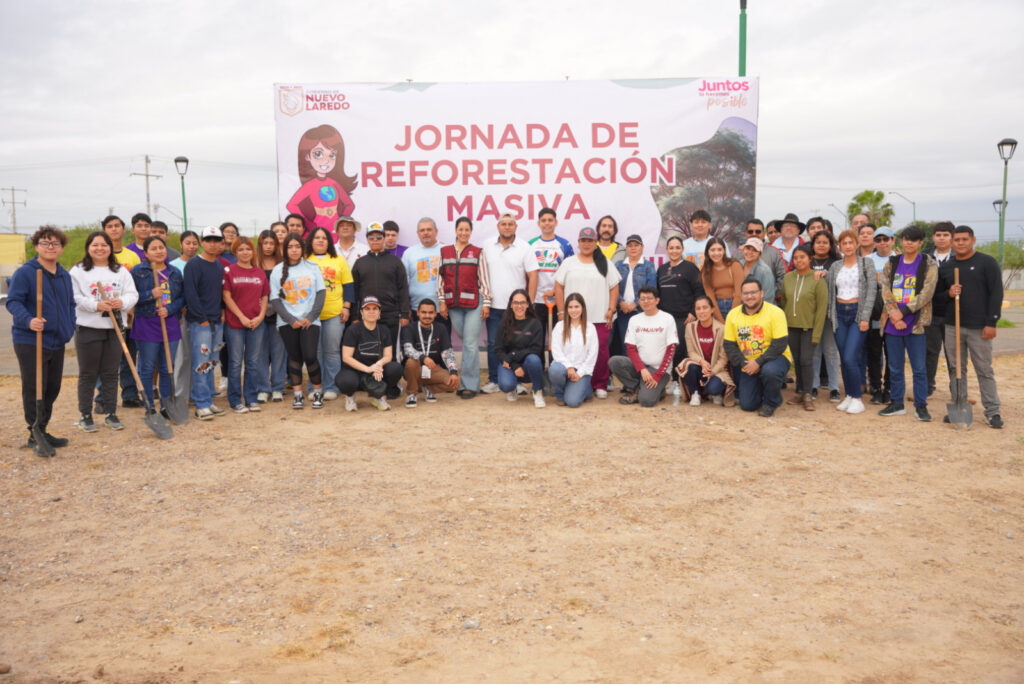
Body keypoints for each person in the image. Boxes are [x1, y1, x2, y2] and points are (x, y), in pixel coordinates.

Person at [6, 227, 76, 450]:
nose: (50, 247)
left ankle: (43, 428)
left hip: (57, 340)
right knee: (34, 386)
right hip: (30, 340)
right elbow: (13, 302)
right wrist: (28, 320)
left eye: (55, 243)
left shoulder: (64, 274)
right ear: (36, 246)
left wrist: (69, 326)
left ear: (62, 248)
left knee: (52, 387)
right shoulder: (26, 272)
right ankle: (34, 432)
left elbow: (70, 305)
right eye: (45, 243)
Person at [935, 225, 1004, 428]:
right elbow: (937, 298)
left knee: (983, 368)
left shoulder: (986, 263)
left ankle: (992, 411)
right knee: (956, 368)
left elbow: (996, 294)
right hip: (952, 326)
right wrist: (949, 293)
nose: (960, 243)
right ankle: (959, 404)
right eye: (957, 240)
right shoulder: (947, 267)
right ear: (952, 242)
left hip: (979, 327)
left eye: (965, 239)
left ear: (973, 240)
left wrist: (992, 322)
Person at [70, 231, 138, 432]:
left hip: (114, 329)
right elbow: (75, 297)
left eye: (104, 245)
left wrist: (122, 302)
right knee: (88, 374)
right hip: (88, 329)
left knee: (110, 373)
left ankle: (111, 413)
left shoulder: (120, 271)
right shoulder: (78, 270)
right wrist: (96, 305)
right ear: (88, 248)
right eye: (95, 245)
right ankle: (85, 415)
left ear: (110, 247)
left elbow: (132, 294)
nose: (100, 248)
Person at [878, 225, 938, 421]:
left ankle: (921, 405)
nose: (909, 242)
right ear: (901, 241)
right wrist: (894, 313)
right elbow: (885, 288)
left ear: (921, 243)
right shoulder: (892, 263)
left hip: (916, 323)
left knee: (919, 368)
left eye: (913, 239)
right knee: (895, 367)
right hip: (892, 323)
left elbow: (927, 293)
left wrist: (903, 313)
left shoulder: (928, 264)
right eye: (905, 239)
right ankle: (897, 403)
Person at [552, 227, 619, 398]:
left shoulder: (605, 262)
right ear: (579, 242)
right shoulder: (569, 262)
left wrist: (611, 309)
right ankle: (578, 382)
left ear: (595, 243)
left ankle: (600, 384)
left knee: (601, 352)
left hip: (599, 317)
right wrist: (561, 312)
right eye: (583, 240)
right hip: (573, 317)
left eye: (590, 241)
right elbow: (558, 286)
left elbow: (614, 287)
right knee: (574, 349)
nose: (587, 244)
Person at [480, 214, 539, 393]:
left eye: (510, 224)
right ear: (498, 226)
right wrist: (485, 301)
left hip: (518, 309)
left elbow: (533, 275)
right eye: (503, 224)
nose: (507, 227)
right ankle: (494, 380)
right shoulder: (487, 246)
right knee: (493, 344)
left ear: (516, 226)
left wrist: (529, 302)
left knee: (518, 344)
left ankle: (518, 381)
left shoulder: (524, 247)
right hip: (494, 305)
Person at [350, 222, 410, 398]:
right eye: (371, 237)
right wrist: (355, 316)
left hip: (391, 315)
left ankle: (392, 386)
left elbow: (403, 289)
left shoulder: (395, 262)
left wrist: (405, 313)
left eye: (379, 237)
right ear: (367, 239)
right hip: (367, 317)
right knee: (369, 353)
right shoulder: (360, 263)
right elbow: (354, 291)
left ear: (384, 239)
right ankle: (371, 385)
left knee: (390, 355)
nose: (375, 240)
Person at [437, 216, 492, 398]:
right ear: (455, 230)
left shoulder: (478, 252)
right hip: (453, 305)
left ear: (471, 232)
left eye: (467, 230)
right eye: (460, 229)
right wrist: (442, 301)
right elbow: (440, 279)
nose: (463, 233)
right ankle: (468, 382)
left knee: (469, 343)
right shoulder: (444, 252)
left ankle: (469, 385)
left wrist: (486, 303)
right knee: (469, 340)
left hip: (474, 305)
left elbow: (484, 280)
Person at [270, 233, 326, 409]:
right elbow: (275, 300)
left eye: (297, 246)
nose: (294, 250)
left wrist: (310, 317)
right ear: (285, 249)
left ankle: (317, 393)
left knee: (310, 356)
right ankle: (298, 395)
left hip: (310, 321)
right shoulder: (277, 270)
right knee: (294, 358)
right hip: (288, 323)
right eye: (290, 247)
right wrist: (290, 319)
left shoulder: (312, 266)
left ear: (302, 248)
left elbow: (321, 293)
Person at [130, 235, 184, 418]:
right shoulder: (138, 272)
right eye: (153, 248)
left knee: (167, 366)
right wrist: (150, 294)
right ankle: (149, 406)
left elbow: (182, 298)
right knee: (147, 366)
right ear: (145, 253)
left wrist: (169, 309)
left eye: (161, 247)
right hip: (146, 323)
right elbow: (132, 298)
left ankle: (166, 405)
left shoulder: (174, 272)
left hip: (169, 323)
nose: (159, 251)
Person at [725, 278, 793, 416]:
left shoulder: (775, 312)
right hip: (748, 363)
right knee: (748, 405)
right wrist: (746, 364)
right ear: (741, 295)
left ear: (761, 293)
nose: (749, 296)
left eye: (753, 292)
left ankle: (771, 402)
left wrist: (758, 362)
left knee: (770, 371)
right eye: (746, 293)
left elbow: (779, 344)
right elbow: (729, 345)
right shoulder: (733, 314)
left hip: (775, 358)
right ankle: (768, 391)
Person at [826, 229, 876, 415]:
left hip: (857, 314)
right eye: (843, 243)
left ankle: (857, 398)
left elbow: (871, 292)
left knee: (850, 357)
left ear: (856, 245)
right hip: (839, 314)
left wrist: (865, 318)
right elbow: (829, 290)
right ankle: (849, 395)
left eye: (850, 243)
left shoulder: (866, 263)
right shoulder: (835, 266)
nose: (847, 246)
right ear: (839, 246)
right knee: (843, 358)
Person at [183, 226, 227, 419]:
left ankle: (208, 399)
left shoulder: (218, 265)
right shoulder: (194, 265)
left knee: (211, 362)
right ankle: (200, 403)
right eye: (208, 240)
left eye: (216, 240)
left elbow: (218, 293)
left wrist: (221, 313)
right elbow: (190, 294)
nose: (212, 243)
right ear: (202, 242)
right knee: (201, 362)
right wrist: (201, 319)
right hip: (200, 322)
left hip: (216, 321)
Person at [305, 226, 354, 401]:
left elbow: (348, 285)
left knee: (332, 351)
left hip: (334, 313)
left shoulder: (338, 260)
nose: (320, 240)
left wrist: (346, 307)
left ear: (329, 241)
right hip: (311, 315)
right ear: (311, 241)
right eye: (317, 237)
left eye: (324, 238)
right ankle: (315, 387)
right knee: (314, 352)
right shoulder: (304, 260)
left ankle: (332, 386)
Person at [222, 236, 270, 413]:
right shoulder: (229, 270)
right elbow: (226, 296)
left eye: (248, 249)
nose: (245, 252)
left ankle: (251, 398)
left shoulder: (259, 272)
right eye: (241, 249)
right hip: (235, 323)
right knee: (235, 362)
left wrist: (261, 316)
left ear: (253, 251)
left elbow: (265, 297)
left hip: (256, 323)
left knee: (252, 361)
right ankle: (235, 400)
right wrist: (241, 317)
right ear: (235, 252)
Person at [608, 286, 677, 407]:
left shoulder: (667, 319)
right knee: (614, 362)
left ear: (657, 300)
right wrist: (642, 369)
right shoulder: (634, 320)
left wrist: (657, 375)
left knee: (646, 401)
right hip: (640, 368)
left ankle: (653, 390)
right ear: (638, 302)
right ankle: (639, 388)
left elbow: (671, 350)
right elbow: (630, 349)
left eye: (649, 298)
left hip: (659, 369)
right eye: (642, 299)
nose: (646, 301)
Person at [286, 124, 357, 240]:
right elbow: (291, 205)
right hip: (317, 231)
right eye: (318, 154)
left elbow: (350, 205)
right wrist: (308, 224)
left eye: (332, 155)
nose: (326, 160)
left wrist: (341, 221)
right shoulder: (310, 185)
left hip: (335, 232)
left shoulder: (334, 183)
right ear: (307, 157)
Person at [780, 245, 828, 410]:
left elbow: (822, 309)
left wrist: (817, 334)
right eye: (795, 258)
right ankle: (800, 391)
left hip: (809, 328)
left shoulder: (817, 279)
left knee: (807, 360)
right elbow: (784, 301)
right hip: (791, 327)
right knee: (798, 361)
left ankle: (808, 394)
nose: (799, 260)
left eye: (802, 257)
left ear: (810, 259)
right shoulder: (788, 278)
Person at [101, 215, 142, 408]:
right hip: (104, 316)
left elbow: (135, 285)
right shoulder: (99, 255)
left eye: (117, 226)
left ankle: (130, 395)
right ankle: (102, 398)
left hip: (128, 315)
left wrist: (131, 307)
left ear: (124, 229)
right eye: (109, 226)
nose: (114, 229)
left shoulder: (131, 256)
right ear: (104, 230)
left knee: (128, 356)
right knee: (107, 360)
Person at [338, 296, 403, 411]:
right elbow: (346, 357)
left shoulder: (384, 330)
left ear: (379, 312)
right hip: (356, 371)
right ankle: (350, 396)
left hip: (375, 372)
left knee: (395, 368)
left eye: (375, 308)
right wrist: (368, 369)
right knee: (345, 381)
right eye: (367, 309)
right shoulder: (353, 330)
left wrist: (378, 365)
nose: (371, 312)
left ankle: (378, 396)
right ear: (361, 312)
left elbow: (388, 356)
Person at [656, 235, 703, 394]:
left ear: (682, 249)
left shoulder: (690, 268)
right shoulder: (662, 269)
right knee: (668, 349)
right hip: (665, 318)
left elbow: (699, 291)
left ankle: (679, 382)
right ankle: (672, 381)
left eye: (677, 248)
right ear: (667, 250)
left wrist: (692, 312)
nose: (674, 251)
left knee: (680, 349)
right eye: (671, 248)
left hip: (684, 318)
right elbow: (658, 294)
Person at [528, 207, 574, 360]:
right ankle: (539, 376)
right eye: (543, 220)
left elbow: (570, 273)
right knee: (537, 341)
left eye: (550, 220)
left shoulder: (565, 245)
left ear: (556, 222)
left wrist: (555, 291)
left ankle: (556, 372)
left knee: (558, 341)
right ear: (538, 223)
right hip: (537, 302)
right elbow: (527, 274)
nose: (547, 223)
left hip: (558, 302)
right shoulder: (531, 245)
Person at [677, 294, 737, 407]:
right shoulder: (690, 327)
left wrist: (711, 372)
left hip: (716, 369)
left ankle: (714, 393)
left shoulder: (721, 329)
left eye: (705, 307)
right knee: (689, 365)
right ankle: (696, 393)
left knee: (714, 388)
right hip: (699, 367)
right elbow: (691, 352)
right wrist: (702, 362)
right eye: (698, 308)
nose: (701, 311)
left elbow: (723, 357)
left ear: (712, 309)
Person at [401, 299, 460, 407]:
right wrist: (423, 358)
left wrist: (453, 372)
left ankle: (428, 388)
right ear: (418, 312)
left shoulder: (441, 328)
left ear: (435, 313)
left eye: (431, 312)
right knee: (411, 362)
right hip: (414, 369)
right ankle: (411, 393)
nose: (427, 316)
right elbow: (408, 350)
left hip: (433, 369)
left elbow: (447, 352)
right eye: (423, 312)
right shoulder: (410, 328)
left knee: (454, 383)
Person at [494, 289, 546, 407]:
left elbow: (536, 349)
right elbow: (498, 349)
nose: (519, 306)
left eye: (522, 302)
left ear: (528, 304)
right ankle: (512, 388)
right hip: (510, 365)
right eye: (516, 303)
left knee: (534, 359)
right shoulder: (503, 323)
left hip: (528, 366)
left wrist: (512, 356)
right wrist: (515, 365)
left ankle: (537, 391)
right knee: (506, 385)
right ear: (511, 305)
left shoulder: (535, 323)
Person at [254, 229, 287, 402]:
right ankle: (262, 388)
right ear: (260, 245)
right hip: (257, 315)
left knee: (279, 352)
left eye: (271, 243)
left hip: (279, 314)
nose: (268, 246)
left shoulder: (283, 265)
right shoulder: (254, 263)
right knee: (260, 352)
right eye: (265, 243)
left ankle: (278, 387)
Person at [549, 293, 598, 407]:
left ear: (582, 308)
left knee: (572, 402)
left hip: (582, 370)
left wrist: (579, 373)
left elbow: (592, 355)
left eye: (577, 307)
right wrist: (569, 367)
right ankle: (560, 394)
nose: (573, 310)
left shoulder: (590, 328)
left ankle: (586, 390)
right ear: (566, 309)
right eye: (570, 307)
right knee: (555, 370)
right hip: (563, 368)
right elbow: (556, 351)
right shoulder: (559, 326)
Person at [613, 234, 657, 357]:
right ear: (626, 248)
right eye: (630, 245)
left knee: (642, 344)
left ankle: (641, 374)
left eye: (636, 245)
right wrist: (621, 302)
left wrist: (635, 303)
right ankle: (626, 374)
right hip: (623, 312)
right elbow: (613, 286)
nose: (633, 248)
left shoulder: (649, 265)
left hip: (641, 311)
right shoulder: (618, 265)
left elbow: (652, 288)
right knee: (625, 344)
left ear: (642, 247)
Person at [809, 230, 841, 401]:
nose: (821, 245)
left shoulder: (837, 263)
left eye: (825, 242)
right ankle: (813, 386)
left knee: (830, 350)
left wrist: (827, 275)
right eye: (818, 242)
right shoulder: (807, 261)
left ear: (831, 245)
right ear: (813, 244)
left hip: (830, 314)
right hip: (811, 314)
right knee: (814, 350)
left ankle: (834, 387)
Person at [923, 221, 954, 396]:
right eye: (938, 235)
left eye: (945, 235)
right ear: (933, 237)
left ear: (952, 237)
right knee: (930, 351)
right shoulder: (925, 256)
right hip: (931, 312)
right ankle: (927, 387)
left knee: (953, 354)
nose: (941, 238)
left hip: (952, 313)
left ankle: (957, 389)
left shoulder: (959, 256)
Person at [866, 226, 894, 404]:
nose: (882, 243)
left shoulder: (898, 260)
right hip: (873, 315)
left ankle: (890, 388)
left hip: (893, 315)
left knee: (892, 354)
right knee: (874, 354)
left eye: (886, 239)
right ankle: (876, 387)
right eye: (879, 240)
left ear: (893, 240)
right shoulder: (867, 260)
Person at [402, 217, 446, 327]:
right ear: (418, 233)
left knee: (442, 343)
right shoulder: (409, 253)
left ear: (436, 231)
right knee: (418, 343)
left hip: (442, 308)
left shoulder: (446, 250)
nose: (425, 233)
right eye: (422, 230)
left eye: (429, 229)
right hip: (416, 309)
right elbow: (402, 283)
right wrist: (405, 308)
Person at [701, 236, 743, 322]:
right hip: (718, 308)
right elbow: (711, 298)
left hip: (737, 305)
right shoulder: (705, 271)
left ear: (724, 251)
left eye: (719, 250)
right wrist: (720, 321)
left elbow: (739, 294)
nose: (716, 253)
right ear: (707, 252)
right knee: (721, 334)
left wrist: (731, 318)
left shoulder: (734, 265)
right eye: (712, 250)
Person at [744, 220, 785, 298]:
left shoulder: (774, 252)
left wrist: (770, 294)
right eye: (750, 231)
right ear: (746, 233)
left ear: (764, 233)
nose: (754, 234)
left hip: (767, 301)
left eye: (758, 231)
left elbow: (782, 278)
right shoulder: (738, 253)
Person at [740, 237, 776, 303]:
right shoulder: (738, 264)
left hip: (759, 310)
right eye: (748, 248)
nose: (750, 252)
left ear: (759, 254)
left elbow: (768, 297)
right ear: (743, 249)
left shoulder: (765, 271)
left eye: (754, 250)